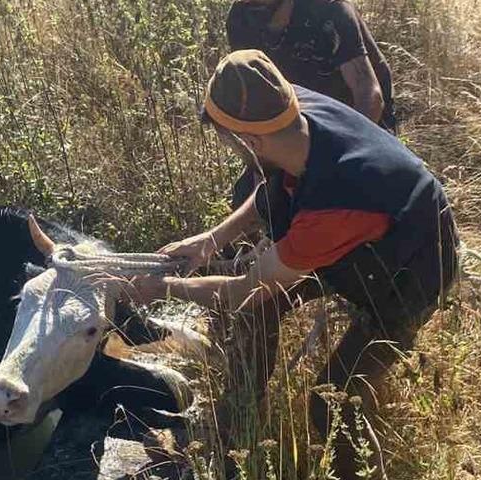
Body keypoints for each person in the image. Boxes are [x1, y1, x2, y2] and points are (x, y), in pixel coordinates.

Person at [123, 50, 458, 479]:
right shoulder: (286, 108)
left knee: (334, 400)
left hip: (410, 270)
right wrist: (212, 239)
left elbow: (243, 289)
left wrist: (155, 288)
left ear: (251, 141)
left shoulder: (334, 206)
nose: (228, 150)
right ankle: (243, 412)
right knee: (255, 309)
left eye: (229, 141)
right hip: (360, 234)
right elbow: (272, 185)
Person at [225, 0, 397, 211]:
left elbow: (369, 96)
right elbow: (255, 101)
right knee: (251, 200)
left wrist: (330, 160)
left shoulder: (328, 8)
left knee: (347, 205)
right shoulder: (241, 18)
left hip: (360, 125)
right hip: (301, 125)